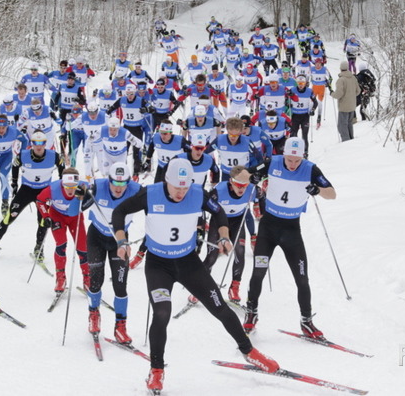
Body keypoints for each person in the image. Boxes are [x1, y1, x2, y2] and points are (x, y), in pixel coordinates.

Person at [111, 158, 279, 394]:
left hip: (188, 262)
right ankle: (156, 370)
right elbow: (119, 211)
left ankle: (249, 351)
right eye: (176, 186)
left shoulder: (198, 194)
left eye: (185, 186)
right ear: (167, 181)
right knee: (162, 312)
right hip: (159, 265)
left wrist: (223, 236)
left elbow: (219, 213)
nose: (181, 192)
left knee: (219, 306)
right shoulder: (150, 194)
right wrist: (121, 239)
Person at [244, 137, 336, 341]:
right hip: (268, 228)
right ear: (284, 154)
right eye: (289, 159)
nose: (293, 164)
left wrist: (318, 190)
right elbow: (243, 174)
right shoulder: (272, 162)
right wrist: (252, 176)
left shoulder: (311, 169)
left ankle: (306, 321)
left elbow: (332, 194)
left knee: (302, 278)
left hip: (291, 231)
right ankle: (251, 312)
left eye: (297, 160)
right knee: (258, 272)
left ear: (303, 156)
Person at [0, 131, 65, 260]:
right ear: (32, 144)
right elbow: (15, 165)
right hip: (26, 190)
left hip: (44, 192)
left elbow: (63, 168)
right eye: (35, 143)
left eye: (41, 143)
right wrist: (14, 183)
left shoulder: (54, 156)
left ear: (45, 144)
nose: (38, 146)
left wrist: (60, 186)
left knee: (42, 220)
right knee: (9, 217)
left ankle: (39, 248)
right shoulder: (23, 155)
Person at [81, 163, 141, 344]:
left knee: (120, 285)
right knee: (96, 280)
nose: (118, 187)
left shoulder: (137, 190)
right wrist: (80, 192)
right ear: (108, 180)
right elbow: (77, 202)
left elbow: (157, 197)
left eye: (123, 184)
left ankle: (120, 326)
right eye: (114, 182)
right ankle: (94, 315)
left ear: (129, 182)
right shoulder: (98, 187)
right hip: (96, 238)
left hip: (119, 242)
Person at [202, 166, 261, 303]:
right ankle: (202, 287)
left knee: (240, 252)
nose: (241, 189)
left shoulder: (252, 190)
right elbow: (204, 205)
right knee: (212, 257)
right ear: (231, 182)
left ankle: (234, 287)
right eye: (238, 185)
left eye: (244, 185)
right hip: (218, 222)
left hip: (237, 222)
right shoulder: (219, 191)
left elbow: (264, 196)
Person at [36, 168, 90, 293]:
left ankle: (87, 278)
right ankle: (60, 278)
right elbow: (40, 201)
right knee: (61, 244)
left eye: (73, 186)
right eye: (66, 186)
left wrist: (87, 195)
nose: (70, 190)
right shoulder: (53, 188)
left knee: (82, 248)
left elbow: (97, 193)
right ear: (62, 183)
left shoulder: (84, 186)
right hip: (57, 216)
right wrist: (46, 216)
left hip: (75, 217)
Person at [208, 117, 262, 181]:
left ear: (240, 132)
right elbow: (205, 152)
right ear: (227, 130)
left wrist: (257, 172)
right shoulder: (219, 140)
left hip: (243, 175)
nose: (233, 138)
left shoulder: (247, 141)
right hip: (226, 175)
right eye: (230, 135)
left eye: (236, 135)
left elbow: (259, 158)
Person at [331, 61, 361, 142]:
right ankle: (351, 139)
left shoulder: (341, 80)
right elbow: (358, 91)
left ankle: (346, 141)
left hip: (344, 106)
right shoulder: (353, 78)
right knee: (349, 124)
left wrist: (332, 94)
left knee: (342, 125)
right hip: (352, 106)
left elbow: (338, 94)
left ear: (340, 68)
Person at [289, 75, 317, 158]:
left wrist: (312, 110)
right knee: (294, 135)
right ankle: (295, 151)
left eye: (302, 83)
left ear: (305, 83)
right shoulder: (292, 90)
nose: (300, 85)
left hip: (305, 116)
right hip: (295, 116)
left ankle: (305, 152)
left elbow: (315, 102)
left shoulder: (309, 91)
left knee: (304, 135)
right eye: (299, 83)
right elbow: (286, 99)